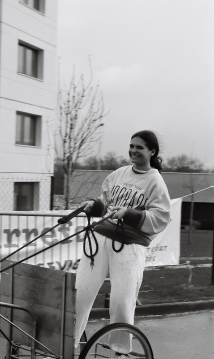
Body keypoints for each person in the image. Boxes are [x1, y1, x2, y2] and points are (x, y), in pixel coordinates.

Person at [73, 130, 171, 357]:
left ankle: (119, 351)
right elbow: (105, 202)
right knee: (80, 294)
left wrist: (130, 213)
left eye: (139, 147)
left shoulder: (156, 182)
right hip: (100, 239)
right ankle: (69, 343)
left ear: (152, 152)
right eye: (131, 146)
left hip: (129, 246)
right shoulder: (119, 174)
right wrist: (93, 206)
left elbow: (160, 218)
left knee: (121, 302)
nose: (133, 151)